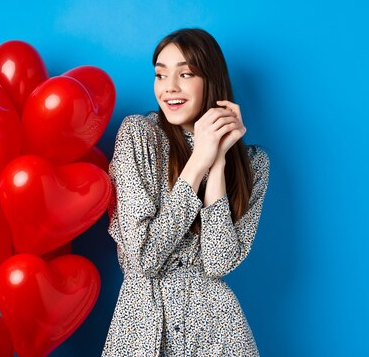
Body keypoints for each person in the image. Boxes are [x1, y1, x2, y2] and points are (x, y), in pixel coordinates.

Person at [102, 28, 270, 357]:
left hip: (217, 333)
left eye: (185, 74)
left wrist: (219, 162)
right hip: (143, 328)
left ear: (211, 80)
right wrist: (198, 163)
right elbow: (145, 259)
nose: (169, 88)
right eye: (161, 75)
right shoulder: (139, 135)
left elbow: (218, 262)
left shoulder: (254, 164)